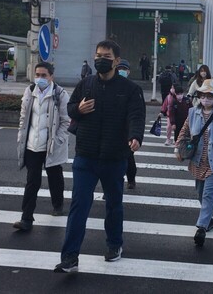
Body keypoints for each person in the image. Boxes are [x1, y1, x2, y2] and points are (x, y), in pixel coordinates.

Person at [54, 40, 145, 273]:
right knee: (79, 205)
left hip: (115, 157)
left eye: (105, 56)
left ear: (116, 61)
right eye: (97, 55)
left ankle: (115, 245)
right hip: (86, 155)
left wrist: (135, 136)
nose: (100, 60)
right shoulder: (86, 84)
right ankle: (70, 257)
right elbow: (71, 108)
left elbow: (136, 116)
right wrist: (78, 110)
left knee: (114, 205)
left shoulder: (129, 89)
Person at [174, 79, 213, 247]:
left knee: (208, 194)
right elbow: (184, 131)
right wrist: (177, 149)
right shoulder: (193, 112)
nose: (206, 99)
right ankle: (210, 218)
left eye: (209, 96)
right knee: (200, 192)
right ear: (199, 96)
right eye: (203, 96)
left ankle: (201, 227)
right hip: (198, 160)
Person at [14, 62, 70, 231]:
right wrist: (20, 137)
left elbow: (66, 121)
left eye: (43, 75)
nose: (39, 78)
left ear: (51, 76)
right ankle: (26, 218)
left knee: (55, 177)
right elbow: (24, 117)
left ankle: (58, 205)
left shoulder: (60, 94)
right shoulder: (29, 91)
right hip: (32, 144)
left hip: (51, 144)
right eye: (37, 75)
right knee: (32, 181)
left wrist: (58, 140)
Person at [116, 60, 137, 189]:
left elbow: (136, 114)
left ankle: (131, 179)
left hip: (127, 130)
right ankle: (113, 186)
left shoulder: (132, 88)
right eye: (120, 68)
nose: (121, 71)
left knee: (129, 157)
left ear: (128, 71)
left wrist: (134, 134)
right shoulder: (110, 85)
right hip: (112, 129)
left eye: (124, 69)